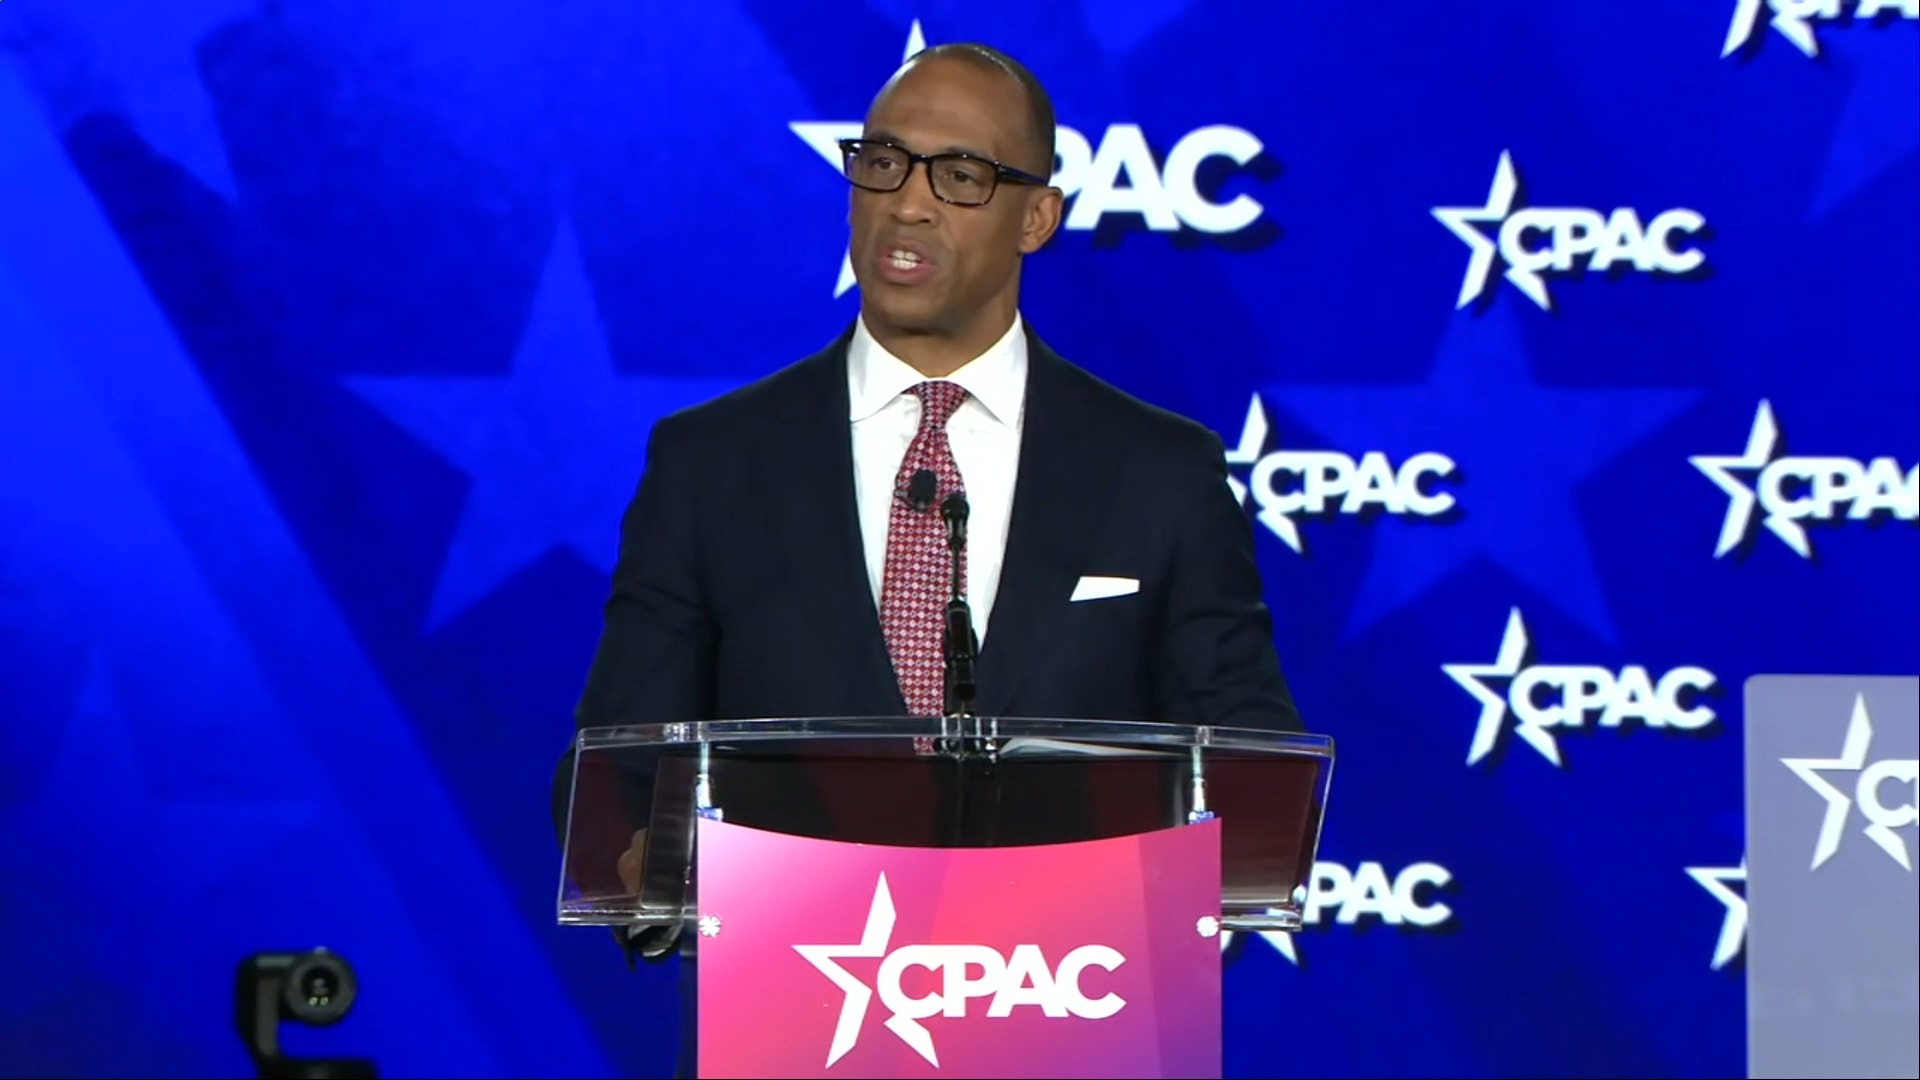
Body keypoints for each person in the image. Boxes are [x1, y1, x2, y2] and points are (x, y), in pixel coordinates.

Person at [551, 40, 1301, 1078]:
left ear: (1037, 217)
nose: (907, 203)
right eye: (884, 163)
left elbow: (1252, 766)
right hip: (792, 1034)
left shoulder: (1158, 470)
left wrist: (1163, 902)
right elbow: (616, 763)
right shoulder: (713, 463)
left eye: (960, 175)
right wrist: (644, 867)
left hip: (1066, 1029)